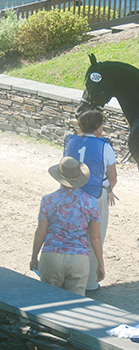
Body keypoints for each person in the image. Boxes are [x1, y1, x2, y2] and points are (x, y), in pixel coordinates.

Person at [30, 156, 105, 296]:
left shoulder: (47, 200)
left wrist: (34, 257)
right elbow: (95, 238)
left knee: (48, 300)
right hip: (79, 258)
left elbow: (40, 233)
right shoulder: (91, 203)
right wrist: (100, 264)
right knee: (74, 308)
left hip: (51, 255)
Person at [64, 110, 117, 292]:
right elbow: (113, 177)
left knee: (70, 234)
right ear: (98, 127)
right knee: (95, 236)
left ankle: (68, 275)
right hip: (95, 194)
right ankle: (90, 281)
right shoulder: (105, 146)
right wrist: (109, 190)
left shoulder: (70, 141)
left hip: (70, 193)